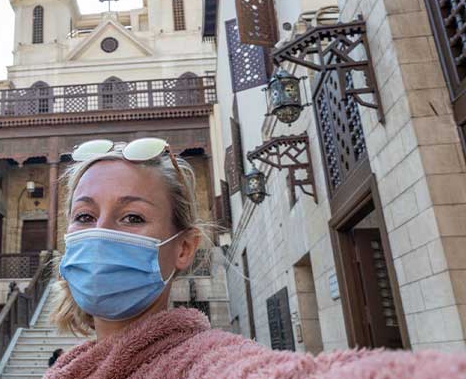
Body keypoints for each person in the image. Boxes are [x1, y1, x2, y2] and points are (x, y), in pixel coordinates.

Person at [44, 138, 466, 379]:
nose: (101, 232)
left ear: (184, 247)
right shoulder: (69, 369)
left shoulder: (203, 362)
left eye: (132, 216)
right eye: (84, 216)